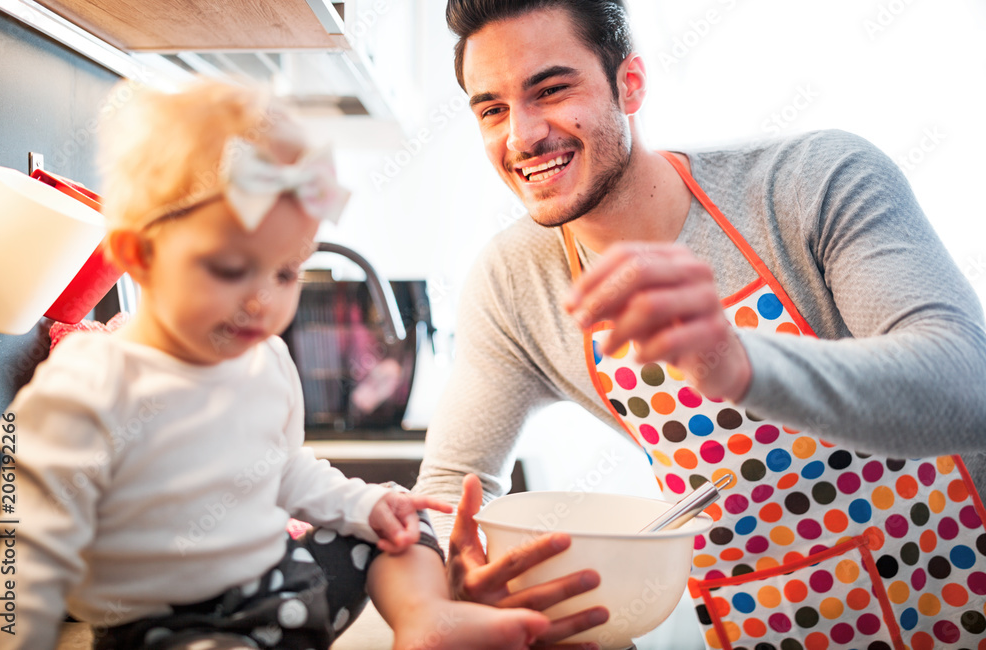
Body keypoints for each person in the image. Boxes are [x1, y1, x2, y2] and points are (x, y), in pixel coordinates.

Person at [413, 0, 986, 647]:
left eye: (551, 90)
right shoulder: (515, 282)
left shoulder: (813, 183)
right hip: (771, 619)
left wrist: (737, 361)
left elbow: (969, 385)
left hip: (954, 579)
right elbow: (445, 492)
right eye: (492, 109)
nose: (521, 136)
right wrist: (454, 589)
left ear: (630, 83)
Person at [0, 79, 552, 650]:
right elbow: (30, 555)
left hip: (279, 588)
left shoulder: (265, 361)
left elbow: (284, 471)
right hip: (163, 626)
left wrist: (366, 505)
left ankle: (426, 619)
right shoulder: (88, 383)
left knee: (400, 526)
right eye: (232, 269)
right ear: (139, 254)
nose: (262, 301)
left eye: (285, 273)